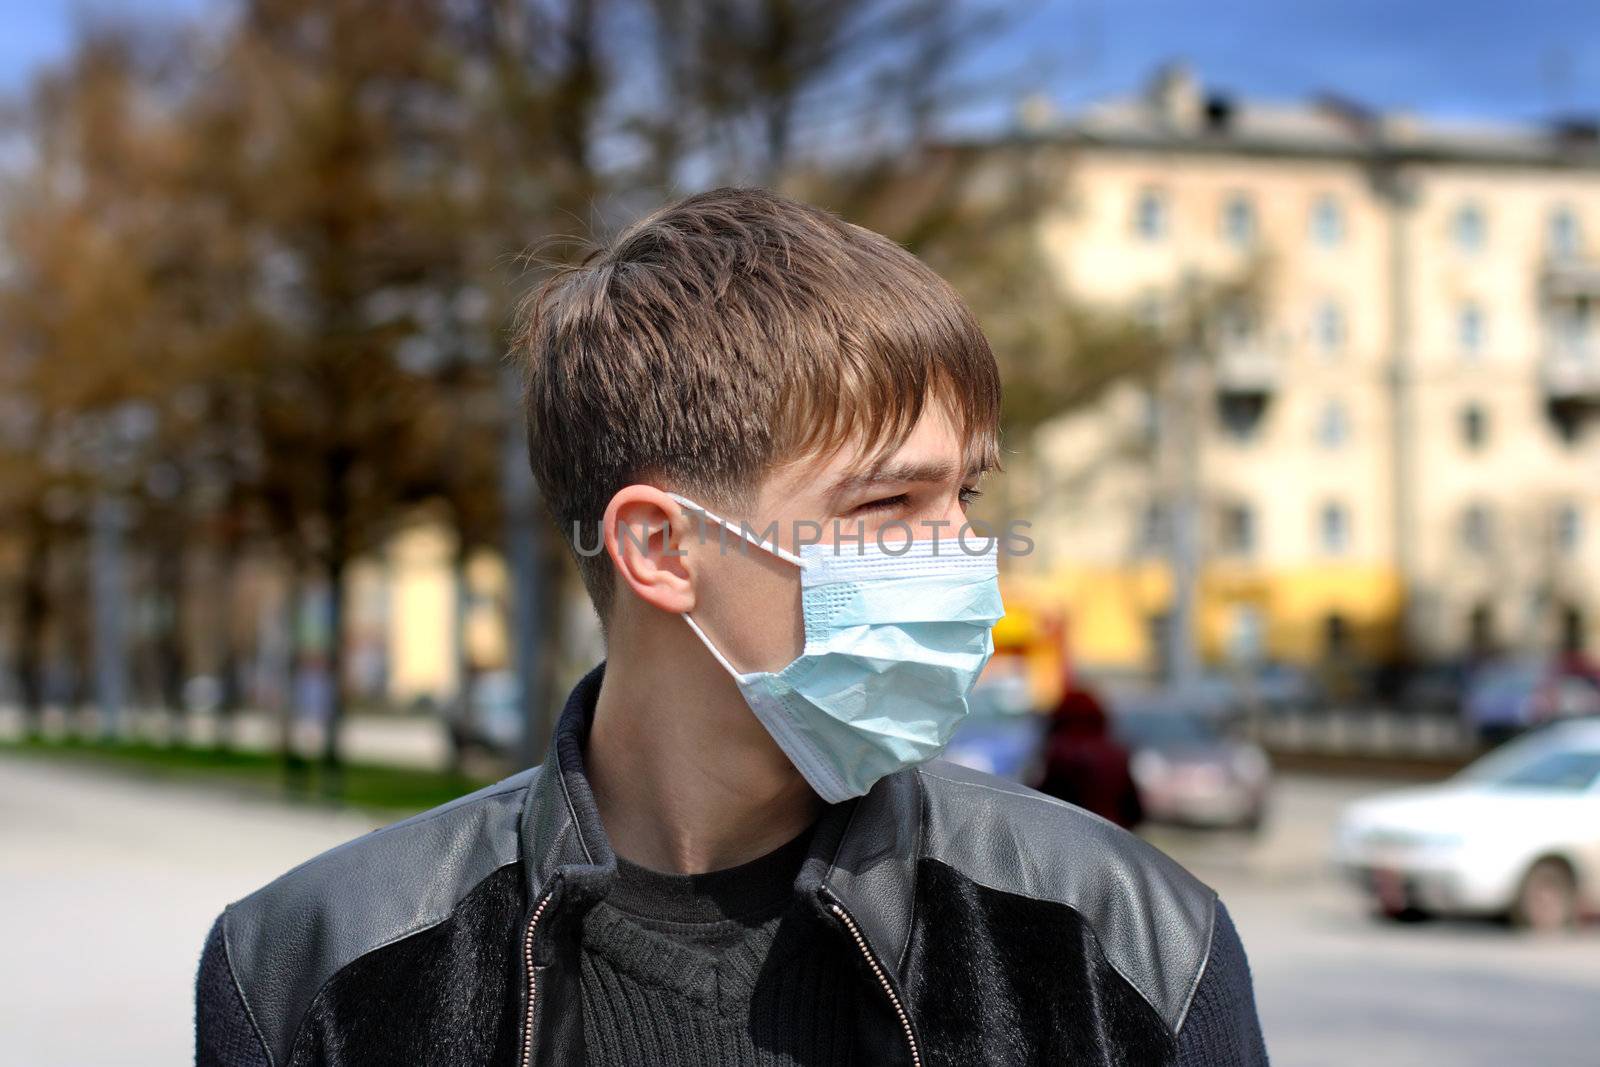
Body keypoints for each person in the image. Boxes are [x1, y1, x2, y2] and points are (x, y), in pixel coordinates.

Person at [195, 187, 1269, 1066]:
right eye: (887, 507)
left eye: (966, 501)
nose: (960, 560)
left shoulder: (1127, 940)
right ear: (660, 547)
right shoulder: (312, 966)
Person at [1037, 684, 1145, 829]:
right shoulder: (1116, 753)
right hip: (1114, 834)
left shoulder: (1062, 752)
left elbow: (1046, 802)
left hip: (1072, 834)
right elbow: (1134, 811)